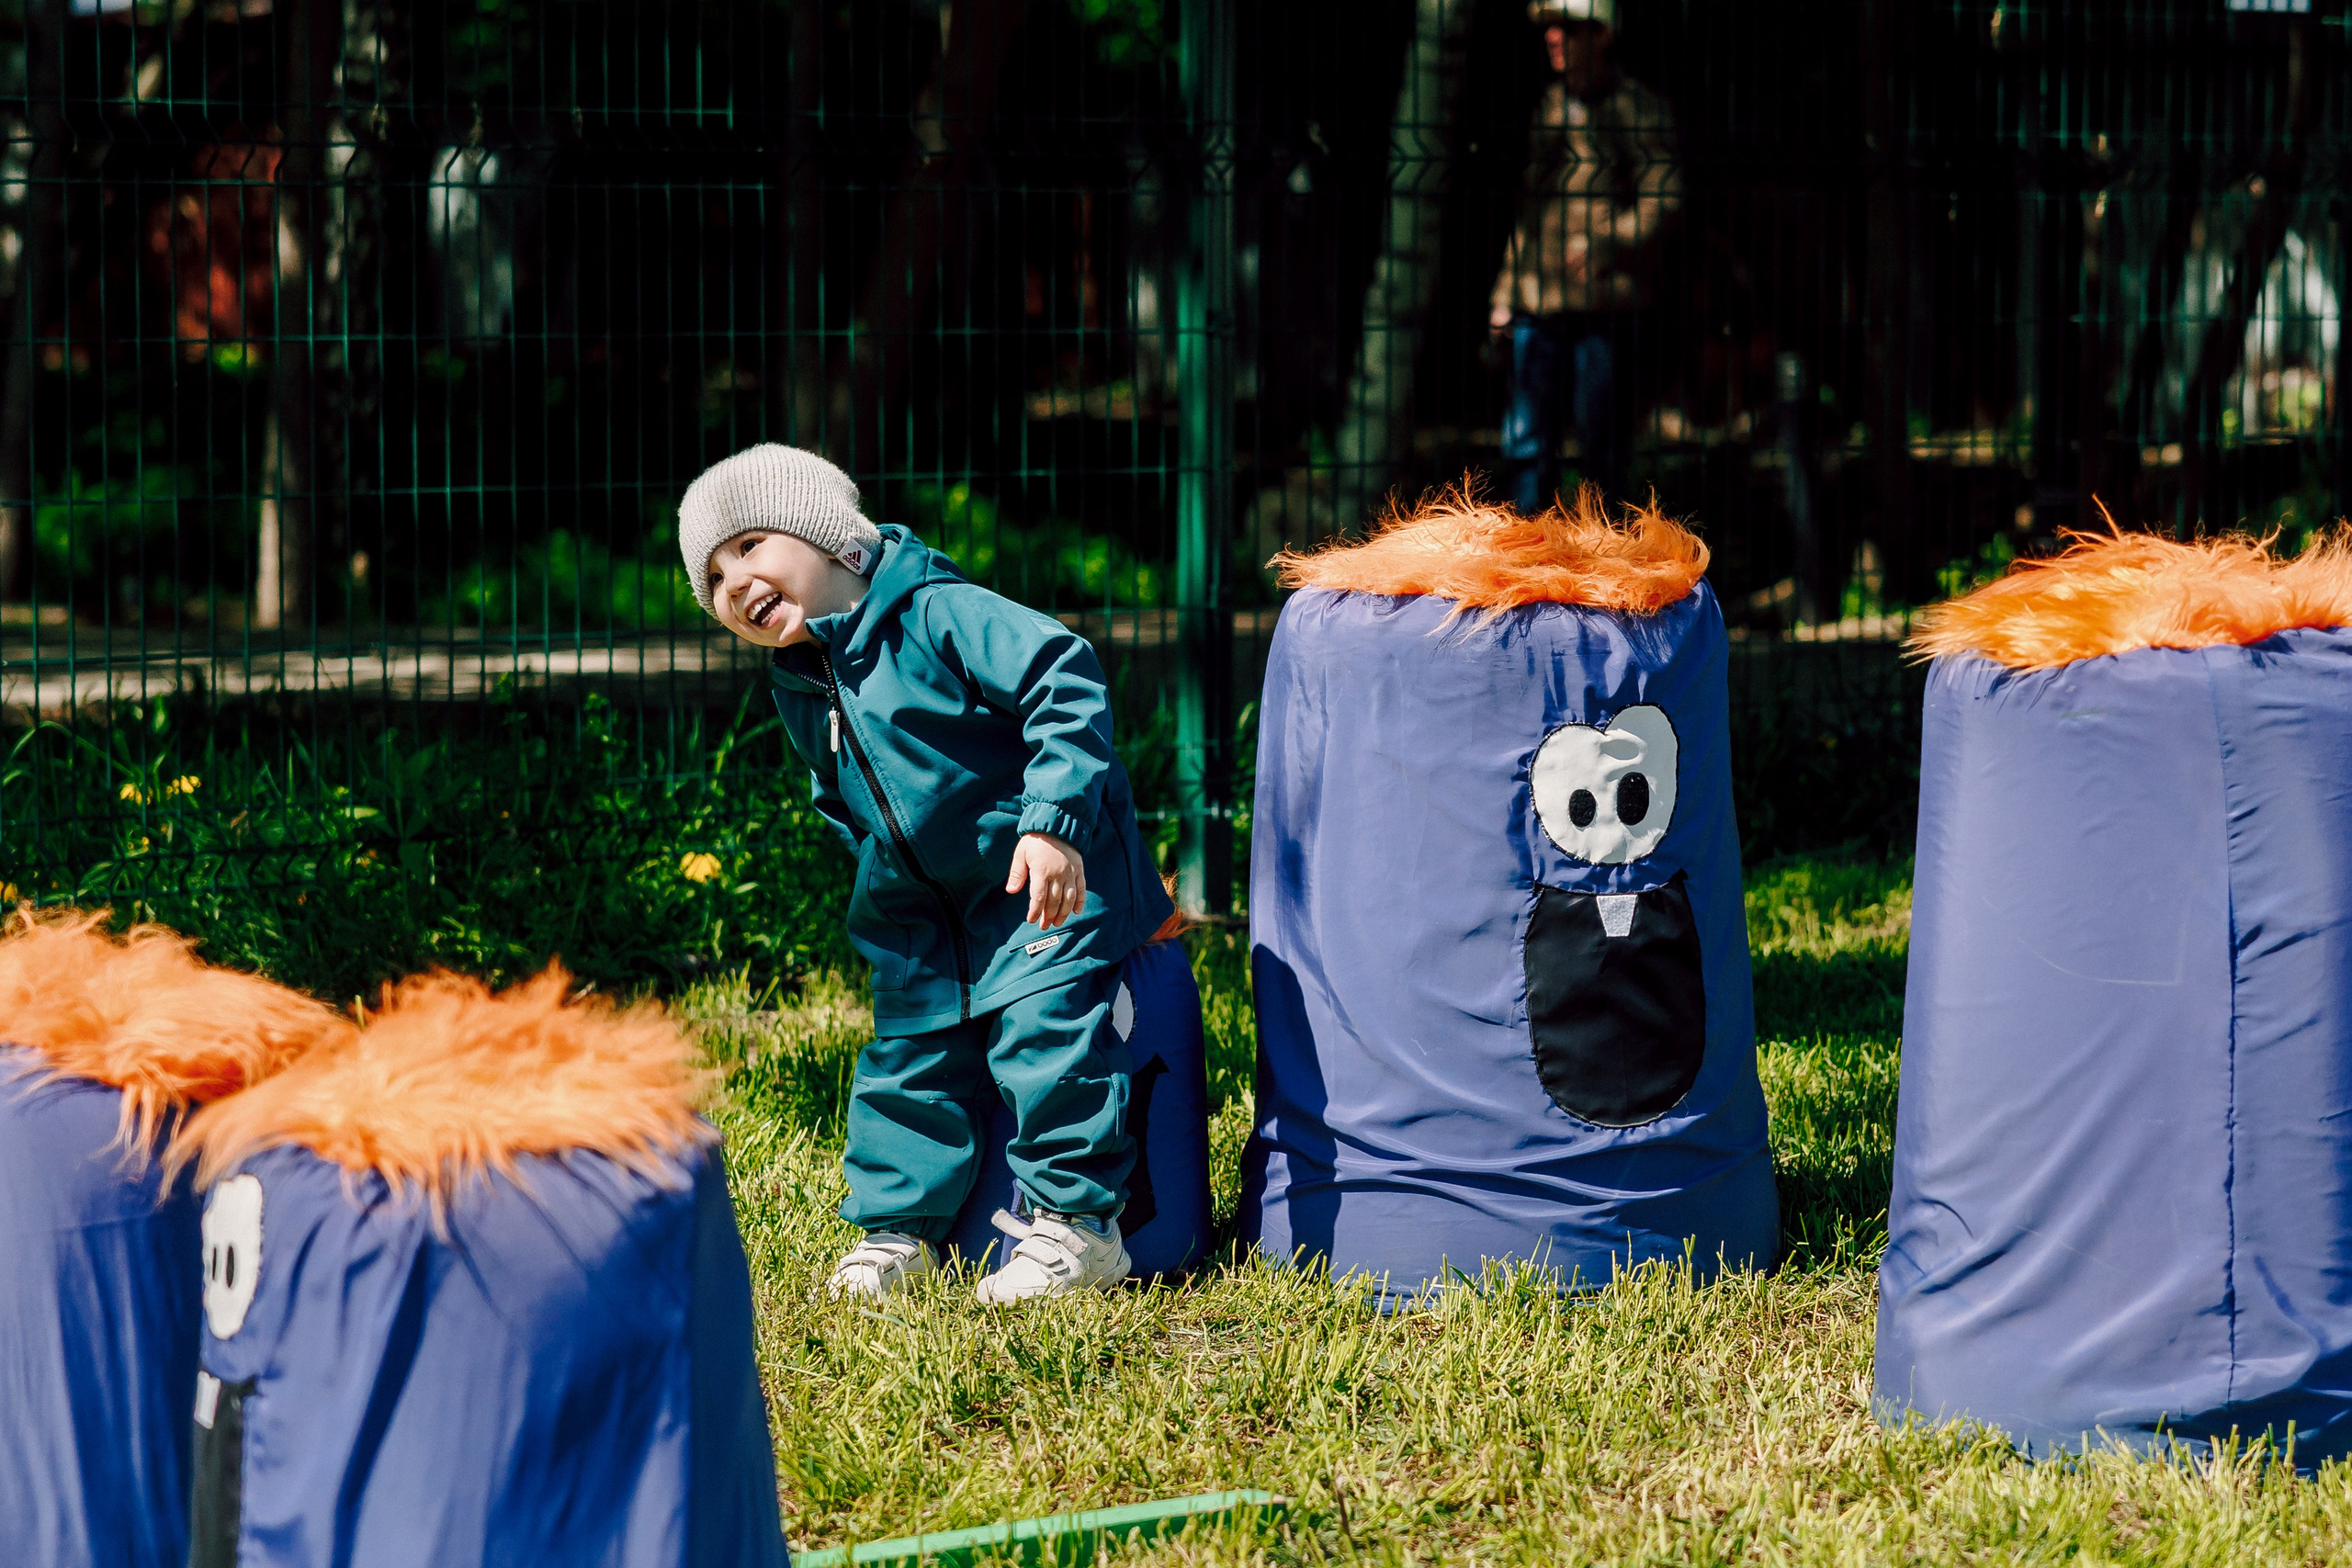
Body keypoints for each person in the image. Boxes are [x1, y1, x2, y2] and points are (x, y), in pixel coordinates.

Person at [678, 444, 1174, 1303]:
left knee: (1047, 1042)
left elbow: (1064, 675)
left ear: (829, 536)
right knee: (906, 1065)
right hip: (924, 917)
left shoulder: (939, 613)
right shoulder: (798, 678)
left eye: (751, 546)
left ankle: (1078, 1226)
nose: (736, 583)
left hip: (1037, 891)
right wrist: (878, 871)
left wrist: (1053, 826)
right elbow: (834, 788)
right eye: (715, 579)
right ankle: (898, 1235)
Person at [1488, 0, 1681, 514]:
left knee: (1603, 452)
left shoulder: (1637, 108)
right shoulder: (1549, 106)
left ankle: (1602, 572)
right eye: (1550, 27)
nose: (1553, 37)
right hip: (1538, 301)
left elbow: (1663, 193)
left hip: (1605, 307)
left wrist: (1611, 240)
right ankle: (1529, 562)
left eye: (1568, 27)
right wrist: (1505, 293)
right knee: (1527, 447)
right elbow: (1528, 209)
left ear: (1601, 35)